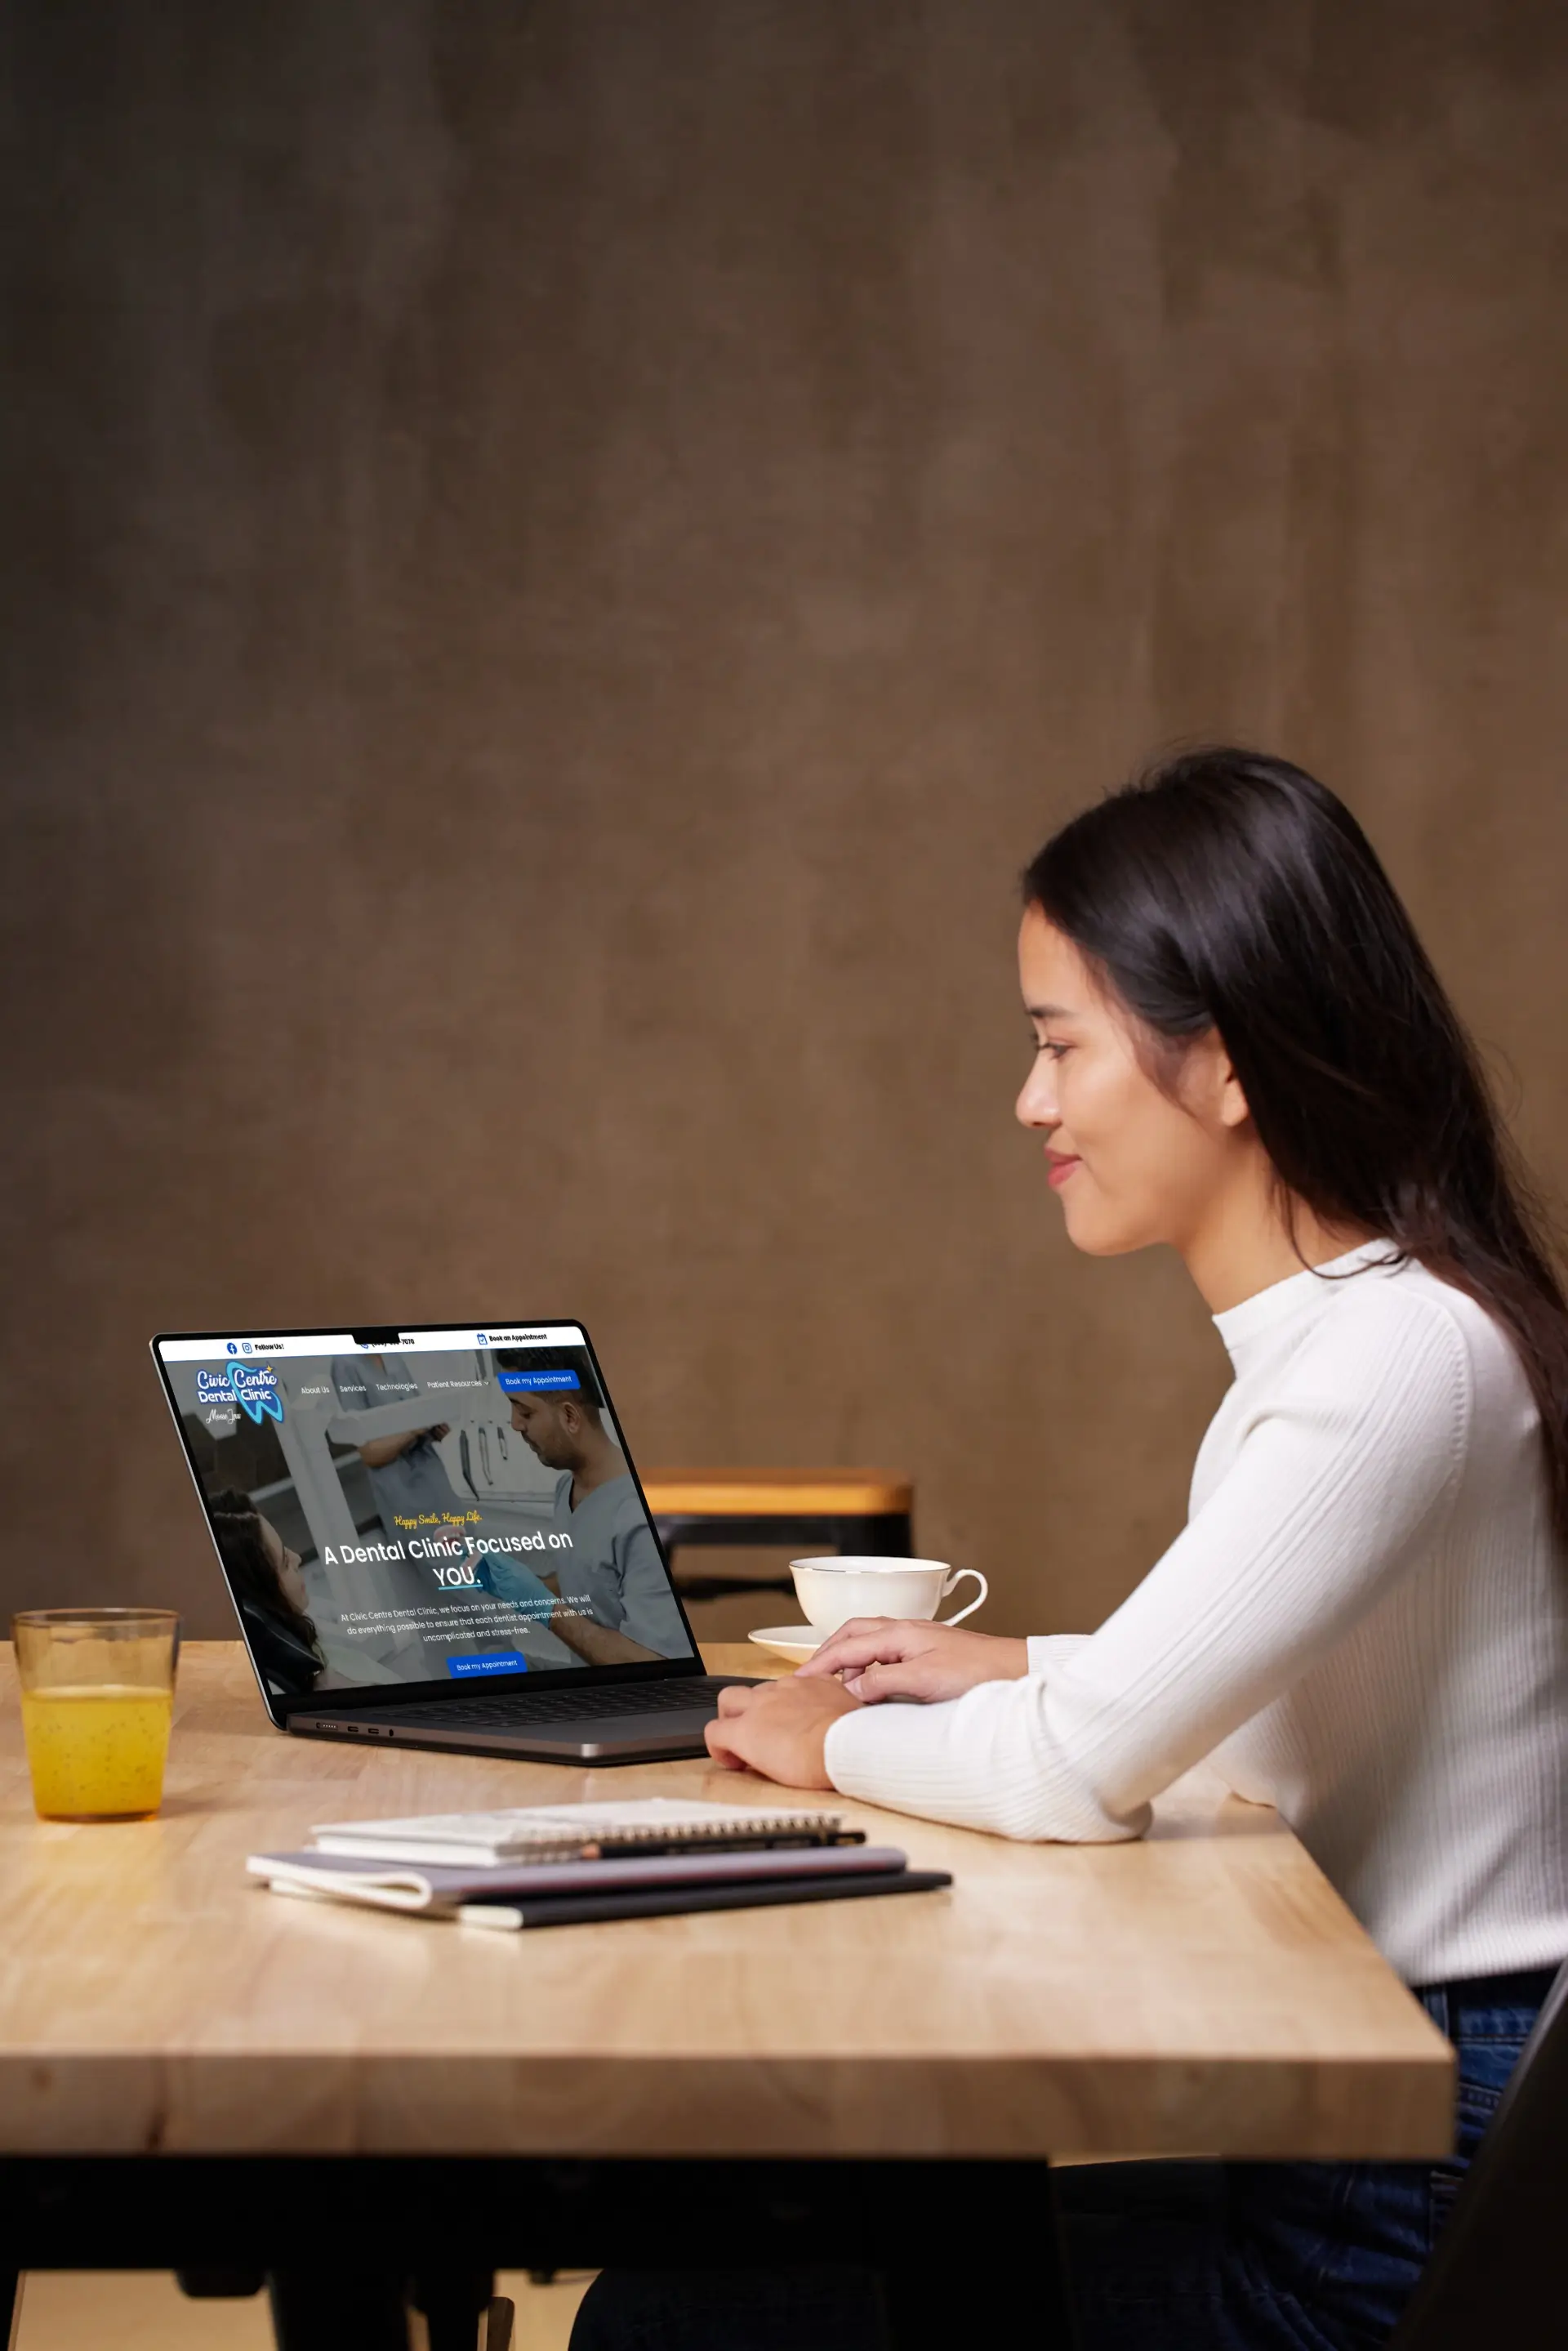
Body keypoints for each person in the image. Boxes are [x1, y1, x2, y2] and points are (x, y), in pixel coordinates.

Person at [572, 749, 1568, 2351]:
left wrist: (834, 1738)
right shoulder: (1376, 1333)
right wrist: (1023, 1660)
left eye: (1059, 1044)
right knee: (793, 2254)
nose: (1032, 1101)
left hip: (1387, 2216)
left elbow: (1072, 1774)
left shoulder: (1393, 1360)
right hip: (1371, 2131)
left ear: (1223, 1063)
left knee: (667, 2326)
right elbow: (1302, 1709)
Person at [482, 1345, 690, 1666]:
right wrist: (512, 1585)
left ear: (570, 1417)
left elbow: (651, 1661)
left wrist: (545, 1608)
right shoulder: (566, 1489)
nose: (515, 1424)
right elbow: (587, 1583)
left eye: (525, 1412)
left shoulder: (637, 1516)